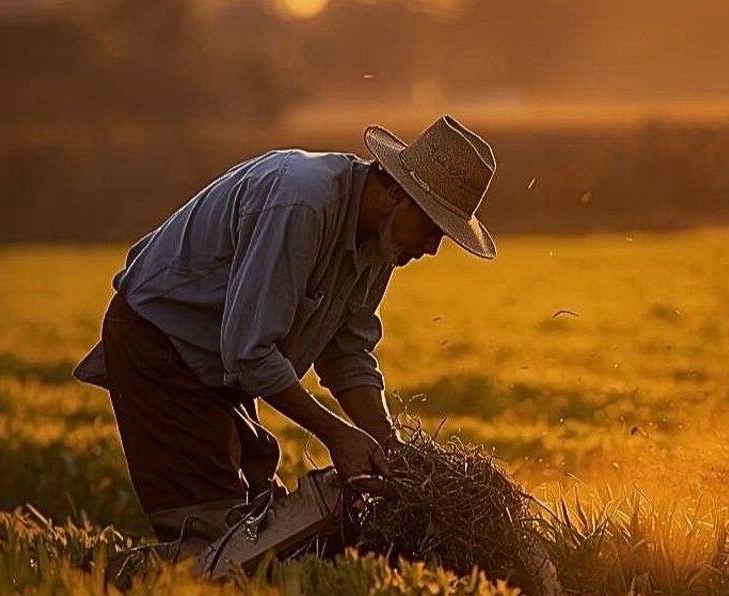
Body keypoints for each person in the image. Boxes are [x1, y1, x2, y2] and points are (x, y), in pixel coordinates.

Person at [73, 115, 498, 542]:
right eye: (431, 229)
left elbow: (347, 355)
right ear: (395, 195)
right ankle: (110, 588)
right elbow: (248, 353)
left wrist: (389, 446)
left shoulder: (380, 244)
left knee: (267, 528)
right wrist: (337, 435)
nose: (431, 248)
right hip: (162, 351)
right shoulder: (303, 204)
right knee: (220, 538)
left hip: (217, 371)